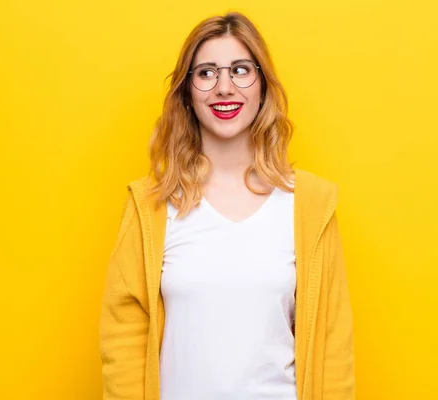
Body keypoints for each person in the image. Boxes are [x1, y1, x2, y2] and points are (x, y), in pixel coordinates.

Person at [99, 11, 355, 400]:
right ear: (187, 92)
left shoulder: (309, 206)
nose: (224, 87)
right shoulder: (151, 207)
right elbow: (123, 340)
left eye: (240, 70)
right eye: (206, 73)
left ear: (262, 86)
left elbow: (334, 349)